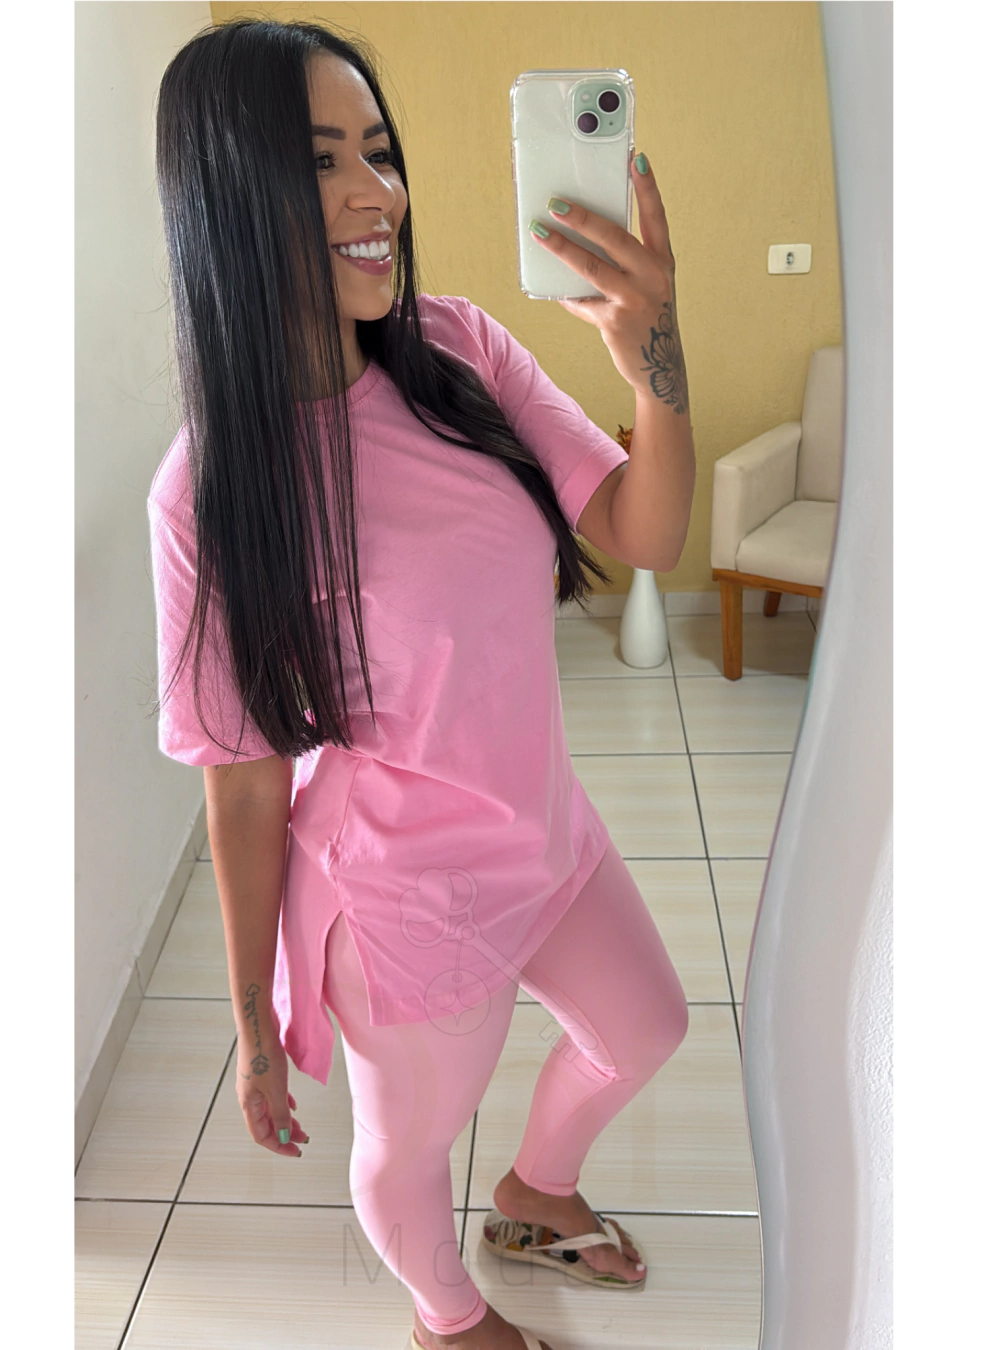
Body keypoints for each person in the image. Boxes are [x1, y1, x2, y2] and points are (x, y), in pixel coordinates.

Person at [149, 18, 690, 1350]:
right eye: (321, 160)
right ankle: (449, 1321)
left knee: (648, 1029)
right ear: (227, 199)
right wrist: (256, 1027)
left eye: (379, 152)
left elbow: (643, 531)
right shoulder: (208, 493)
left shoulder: (459, 350)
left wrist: (655, 360)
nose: (375, 194)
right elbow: (244, 792)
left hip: (546, 829)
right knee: (407, 1155)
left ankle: (535, 1191)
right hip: (407, 905)